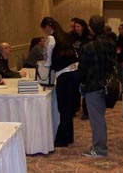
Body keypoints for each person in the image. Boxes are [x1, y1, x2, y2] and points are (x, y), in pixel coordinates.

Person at [79, 15, 116, 157]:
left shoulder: (87, 47)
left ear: (90, 27)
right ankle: (99, 145)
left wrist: (82, 82)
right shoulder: (111, 43)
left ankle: (99, 149)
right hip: (107, 84)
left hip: (92, 85)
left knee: (97, 118)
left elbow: (83, 70)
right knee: (100, 116)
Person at [41, 17, 80, 147]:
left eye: (44, 28)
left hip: (64, 75)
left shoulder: (51, 39)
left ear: (48, 26)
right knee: (69, 108)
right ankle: (68, 136)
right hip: (74, 73)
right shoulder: (65, 36)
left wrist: (44, 74)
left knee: (63, 108)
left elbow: (47, 60)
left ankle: (62, 139)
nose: (44, 32)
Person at [72, 18, 92, 120]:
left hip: (85, 66)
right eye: (75, 27)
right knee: (74, 88)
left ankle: (86, 111)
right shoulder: (73, 38)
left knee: (85, 89)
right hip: (74, 66)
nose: (76, 28)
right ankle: (75, 108)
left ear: (83, 27)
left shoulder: (88, 39)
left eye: (78, 26)